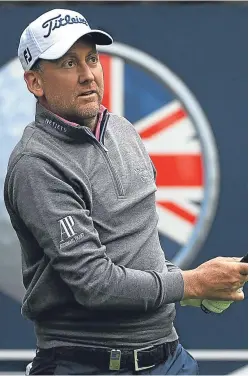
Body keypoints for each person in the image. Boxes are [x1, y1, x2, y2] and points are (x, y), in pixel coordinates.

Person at [4, 8, 248, 376]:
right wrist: (190, 282)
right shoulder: (36, 164)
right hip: (85, 365)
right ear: (35, 83)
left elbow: (138, 252)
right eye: (68, 63)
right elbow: (96, 284)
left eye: (91, 59)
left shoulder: (123, 130)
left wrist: (195, 290)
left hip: (170, 359)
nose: (88, 75)